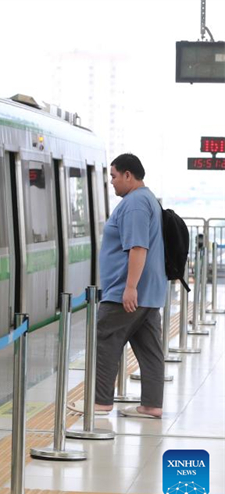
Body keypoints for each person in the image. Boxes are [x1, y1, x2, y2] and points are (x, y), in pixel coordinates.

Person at [92, 153, 167, 419]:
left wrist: (129, 287)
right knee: (149, 350)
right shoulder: (148, 199)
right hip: (151, 291)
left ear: (127, 175)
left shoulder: (135, 203)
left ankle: (100, 402)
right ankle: (151, 405)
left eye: (113, 176)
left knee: (105, 339)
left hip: (127, 291)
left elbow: (137, 246)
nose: (111, 182)